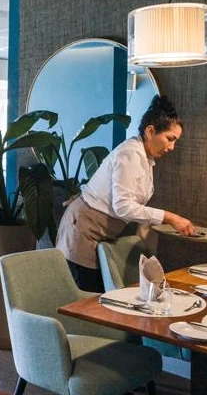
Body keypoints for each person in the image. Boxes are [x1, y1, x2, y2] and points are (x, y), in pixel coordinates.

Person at [56, 95, 197, 293]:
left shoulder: (145, 158)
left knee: (99, 298)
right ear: (150, 131)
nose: (172, 147)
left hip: (102, 232)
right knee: (86, 301)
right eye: (170, 139)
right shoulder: (129, 154)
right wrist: (170, 217)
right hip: (84, 230)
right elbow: (123, 207)